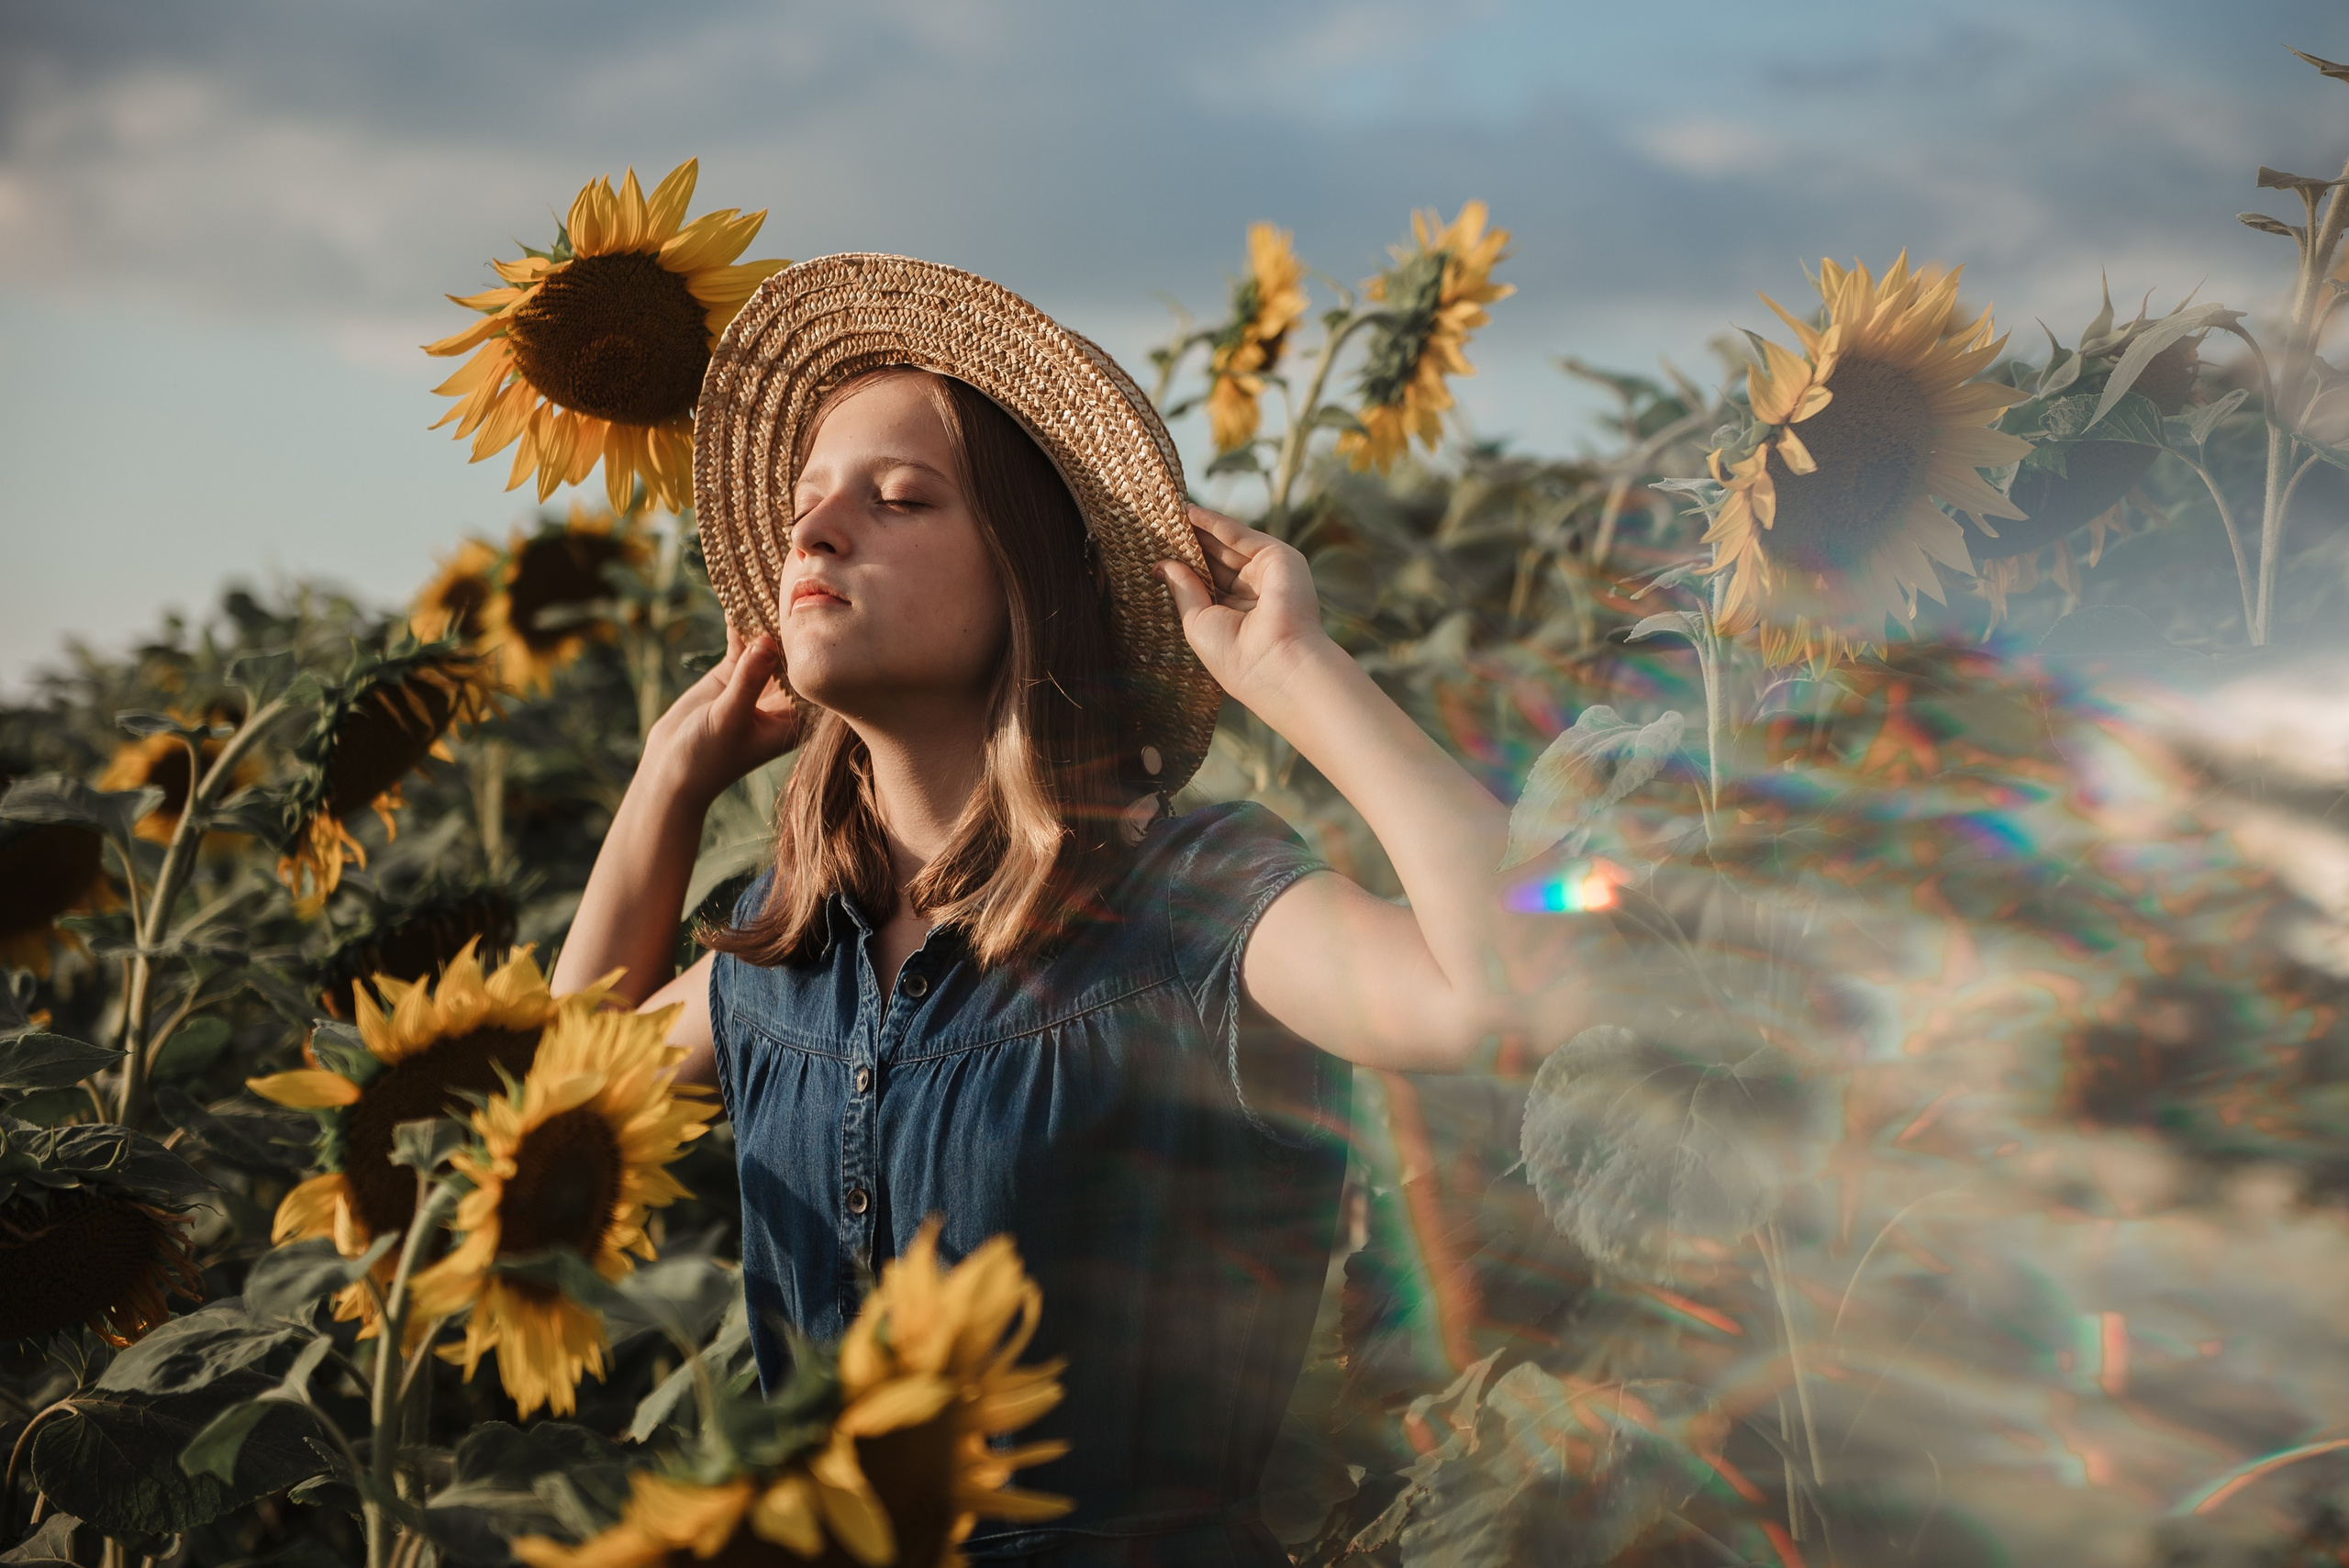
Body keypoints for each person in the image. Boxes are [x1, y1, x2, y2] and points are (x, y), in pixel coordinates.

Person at [552, 255, 1583, 1565]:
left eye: (899, 497)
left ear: (1033, 576)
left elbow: (1514, 989)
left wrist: (1292, 669)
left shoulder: (1186, 906)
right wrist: (668, 779)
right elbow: (546, 1122)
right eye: (809, 502)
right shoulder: (784, 947)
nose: (813, 533)